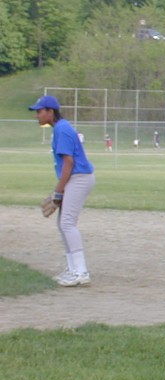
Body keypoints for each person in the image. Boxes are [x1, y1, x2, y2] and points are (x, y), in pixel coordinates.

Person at [29, 95, 96, 287]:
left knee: (67, 223)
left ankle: (81, 272)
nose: (37, 116)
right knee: (63, 223)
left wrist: (58, 192)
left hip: (79, 177)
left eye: (39, 111)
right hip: (75, 178)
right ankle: (72, 268)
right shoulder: (60, 127)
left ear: (50, 112)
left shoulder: (62, 129)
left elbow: (69, 162)